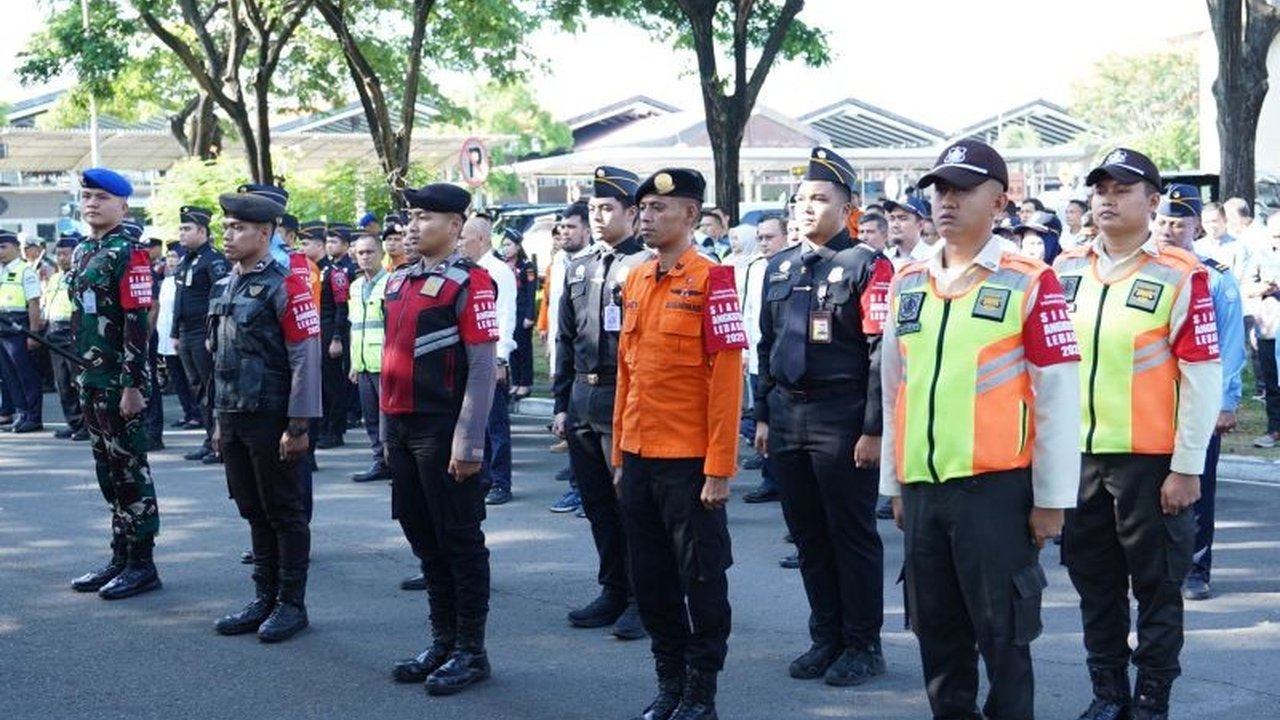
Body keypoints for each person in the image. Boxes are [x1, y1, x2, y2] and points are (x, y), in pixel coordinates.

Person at [880, 139, 1081, 720]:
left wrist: (1051, 499)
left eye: (962, 189)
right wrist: (895, 482)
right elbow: (897, 389)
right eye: (940, 189)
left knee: (1005, 640)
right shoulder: (909, 281)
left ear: (998, 202)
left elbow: (1058, 397)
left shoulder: (1029, 280)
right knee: (938, 642)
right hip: (924, 491)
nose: (946, 201)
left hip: (994, 494)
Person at [1055, 148, 1222, 720]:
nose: (1107, 198)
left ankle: (1152, 697)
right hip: (1078, 461)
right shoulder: (1066, 269)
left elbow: (1202, 375)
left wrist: (1186, 465)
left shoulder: (1180, 274)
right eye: (1100, 188)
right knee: (1095, 585)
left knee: (1156, 587)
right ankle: (1108, 694)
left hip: (1150, 465)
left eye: (1122, 189)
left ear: (1153, 202)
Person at [754, 147, 894, 688]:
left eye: (820, 199)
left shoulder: (866, 265)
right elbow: (768, 344)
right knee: (808, 534)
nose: (806, 208)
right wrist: (763, 413)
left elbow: (882, 353)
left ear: (847, 206)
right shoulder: (780, 265)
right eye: (800, 199)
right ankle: (826, 635)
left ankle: (863, 643)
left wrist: (873, 428)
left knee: (850, 533)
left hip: (842, 417)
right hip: (788, 414)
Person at [614, 168, 745, 720]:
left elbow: (726, 381)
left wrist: (720, 467)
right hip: (641, 455)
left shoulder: (714, 280)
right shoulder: (637, 278)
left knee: (701, 577)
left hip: (690, 461)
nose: (647, 216)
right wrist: (619, 451)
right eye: (642, 208)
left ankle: (700, 693)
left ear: (690, 215)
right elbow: (627, 371)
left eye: (659, 209)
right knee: (651, 579)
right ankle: (668, 682)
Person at [383, 183, 500, 696]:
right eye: (410, 216)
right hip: (403, 426)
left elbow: (481, 368)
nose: (412, 225)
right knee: (424, 537)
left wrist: (468, 441)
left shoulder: (471, 283)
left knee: (459, 539)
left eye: (425, 216)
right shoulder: (399, 280)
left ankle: (471, 651)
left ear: (455, 227)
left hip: (444, 427)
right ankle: (443, 640)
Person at [209, 183, 321, 643]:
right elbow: (220, 358)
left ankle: (291, 604)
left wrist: (298, 425)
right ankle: (264, 597)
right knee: (252, 509)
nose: (228, 235)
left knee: (284, 511)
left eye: (238, 228)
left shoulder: (288, 284)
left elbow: (305, 356)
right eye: (227, 227)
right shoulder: (225, 283)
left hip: (273, 416)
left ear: (266, 232)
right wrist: (218, 422)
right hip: (233, 414)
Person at [551, 165, 650, 639]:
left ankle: (641, 597)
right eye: (592, 208)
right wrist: (560, 404)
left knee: (629, 503)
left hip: (622, 396)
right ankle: (613, 588)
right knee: (596, 503)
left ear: (632, 214)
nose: (597, 216)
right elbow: (565, 341)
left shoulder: (644, 266)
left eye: (607, 208)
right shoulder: (581, 264)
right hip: (584, 396)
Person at [67, 168, 161, 600]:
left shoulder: (131, 253)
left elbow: (137, 325)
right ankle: (120, 555)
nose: (91, 203)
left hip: (120, 381)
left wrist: (133, 386)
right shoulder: (84, 250)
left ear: (123, 206)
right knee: (107, 471)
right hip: (90, 377)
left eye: (102, 197)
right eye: (86, 196)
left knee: (130, 471)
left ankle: (142, 563)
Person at [1150, 184, 1246, 602]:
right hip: (1150, 403)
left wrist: (1226, 401)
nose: (1170, 230)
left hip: (1197, 403)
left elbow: (1230, 344)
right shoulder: (1142, 271)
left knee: (1196, 488)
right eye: (1164, 221)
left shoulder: (1215, 277)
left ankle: (1195, 567)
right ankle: (1154, 567)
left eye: (1179, 222)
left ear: (1196, 226)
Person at [458, 215, 518, 506]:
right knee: (475, 421)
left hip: (493, 358)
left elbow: (505, 316)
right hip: (471, 357)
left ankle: (500, 481)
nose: (459, 244)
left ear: (481, 239)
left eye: (464, 238)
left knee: (495, 425)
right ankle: (482, 478)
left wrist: (501, 359)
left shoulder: (498, 271)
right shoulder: (468, 270)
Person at [546, 206, 595, 511]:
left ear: (587, 230)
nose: (564, 231)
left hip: (589, 366)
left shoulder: (594, 265)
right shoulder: (559, 263)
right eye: (562, 227)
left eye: (572, 227)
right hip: (565, 355)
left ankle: (583, 491)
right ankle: (580, 487)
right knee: (575, 434)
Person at [172, 205, 229, 463]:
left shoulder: (214, 260)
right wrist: (174, 332)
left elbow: (219, 299)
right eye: (181, 228)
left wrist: (212, 333)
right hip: (185, 333)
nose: (182, 233)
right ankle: (209, 439)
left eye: (187, 228)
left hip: (203, 333)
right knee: (198, 389)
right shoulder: (186, 259)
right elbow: (179, 298)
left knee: (212, 388)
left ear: (203, 231)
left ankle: (222, 442)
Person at [740, 215, 787, 503]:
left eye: (770, 237)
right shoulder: (755, 267)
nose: (764, 243)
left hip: (780, 358)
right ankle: (770, 478)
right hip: (758, 354)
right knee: (761, 419)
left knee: (779, 423)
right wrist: (744, 350)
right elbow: (748, 308)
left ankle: (784, 479)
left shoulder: (792, 264)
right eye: (760, 238)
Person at [348, 234, 391, 482]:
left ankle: (394, 462)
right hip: (363, 362)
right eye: (361, 252)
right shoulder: (355, 287)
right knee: (371, 418)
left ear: (381, 254)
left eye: (369, 252)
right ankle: (379, 462)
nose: (364, 257)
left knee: (390, 419)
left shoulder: (391, 283)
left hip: (384, 363)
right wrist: (354, 363)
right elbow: (355, 326)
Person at [1240, 215, 1280, 447]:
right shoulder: (1261, 254)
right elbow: (1246, 286)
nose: (1277, 240)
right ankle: (1274, 429)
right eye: (1274, 235)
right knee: (1272, 382)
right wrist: (1264, 288)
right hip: (1269, 326)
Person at [0, 230, 45, 433]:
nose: (0, 251)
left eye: (3, 247)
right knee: (9, 375)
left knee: (25, 374)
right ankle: (22, 413)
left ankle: (34, 417)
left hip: (18, 326)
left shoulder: (25, 271)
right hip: (2, 327)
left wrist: (34, 333)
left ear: (16, 249)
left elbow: (33, 302)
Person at [44, 233, 87, 440]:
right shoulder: (55, 277)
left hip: (73, 331)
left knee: (77, 381)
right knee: (61, 382)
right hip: (54, 331)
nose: (62, 258)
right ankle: (74, 422)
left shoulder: (81, 274)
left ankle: (87, 425)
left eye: (66, 254)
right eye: (59, 254)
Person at [154, 244, 199, 430]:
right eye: (169, 256)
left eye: (175, 256)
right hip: (164, 338)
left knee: (190, 379)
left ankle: (197, 414)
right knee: (178, 379)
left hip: (180, 336)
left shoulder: (186, 279)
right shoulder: (166, 281)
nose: (171, 260)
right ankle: (187, 412)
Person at [315, 224, 352, 449]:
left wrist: (337, 337)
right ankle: (325, 427)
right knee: (323, 383)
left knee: (333, 384)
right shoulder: (327, 269)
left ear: (346, 246)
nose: (330, 246)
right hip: (322, 328)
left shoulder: (338, 272)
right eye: (328, 242)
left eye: (334, 242)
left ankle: (335, 430)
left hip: (332, 329)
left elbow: (341, 306)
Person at [500, 227, 537, 400]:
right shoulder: (502, 265)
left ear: (517, 247)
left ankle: (525, 383)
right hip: (510, 312)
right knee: (512, 347)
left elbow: (531, 292)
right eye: (504, 245)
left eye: (509, 245)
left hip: (523, 313)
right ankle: (515, 382)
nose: (505, 248)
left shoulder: (527, 267)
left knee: (524, 349)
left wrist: (530, 315)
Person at [883, 194, 935, 269]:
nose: (895, 225)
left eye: (902, 218)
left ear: (920, 225)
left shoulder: (932, 259)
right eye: (892, 218)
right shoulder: (886, 257)